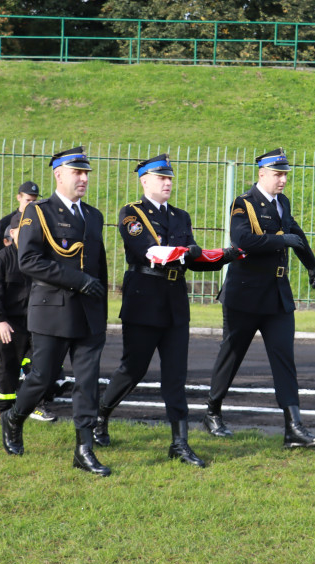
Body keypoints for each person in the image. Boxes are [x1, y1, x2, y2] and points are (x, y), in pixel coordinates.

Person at [94, 154, 239, 467]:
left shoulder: (180, 216)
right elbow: (149, 252)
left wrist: (226, 256)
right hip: (144, 299)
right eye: (162, 178)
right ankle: (101, 415)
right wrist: (189, 253)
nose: (168, 183)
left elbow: (193, 260)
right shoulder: (132, 214)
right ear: (145, 181)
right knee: (133, 369)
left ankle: (179, 443)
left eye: (170, 178)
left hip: (174, 303)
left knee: (175, 376)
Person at [200, 148, 315, 448]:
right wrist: (282, 240)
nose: (283, 180)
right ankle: (212, 412)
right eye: (278, 174)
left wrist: (311, 263)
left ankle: (293, 428)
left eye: (285, 175)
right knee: (232, 354)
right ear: (262, 174)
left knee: (284, 359)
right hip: (244, 295)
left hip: (277, 296)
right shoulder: (243, 203)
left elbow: (296, 233)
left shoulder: (282, 203)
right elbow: (241, 240)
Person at [0, 146, 110, 477]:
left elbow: (98, 266)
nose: (84, 178)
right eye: (77, 172)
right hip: (52, 311)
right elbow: (29, 261)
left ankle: (84, 449)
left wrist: (100, 302)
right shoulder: (38, 212)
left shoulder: (93, 215)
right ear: (58, 174)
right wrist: (79, 281)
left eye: (87, 172)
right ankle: (14, 417)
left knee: (88, 381)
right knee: (42, 378)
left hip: (89, 314)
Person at [0, 180, 41, 398]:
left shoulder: (38, 257)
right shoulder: (2, 259)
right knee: (6, 366)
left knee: (40, 365)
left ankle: (36, 404)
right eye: (21, 231)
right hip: (10, 320)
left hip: (35, 319)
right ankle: (2, 406)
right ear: (12, 232)